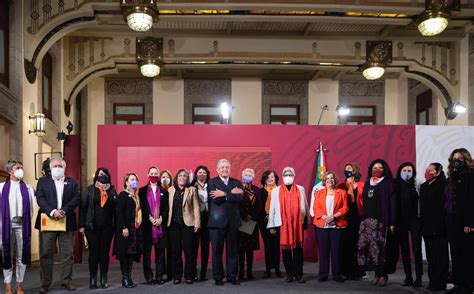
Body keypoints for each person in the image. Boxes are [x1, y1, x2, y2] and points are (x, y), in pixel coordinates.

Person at [35, 156, 81, 293]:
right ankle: (45, 283)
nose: (57, 168)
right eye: (55, 166)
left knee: (67, 254)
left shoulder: (72, 182)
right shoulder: (43, 182)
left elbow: (76, 198)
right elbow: (40, 198)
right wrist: (53, 211)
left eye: (60, 166)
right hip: (48, 221)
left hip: (66, 222)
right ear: (50, 168)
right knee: (46, 253)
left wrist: (64, 210)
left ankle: (66, 280)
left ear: (64, 168)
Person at [357, 159, 397, 287]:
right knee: (370, 249)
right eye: (375, 167)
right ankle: (376, 274)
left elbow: (393, 204)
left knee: (381, 249)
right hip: (367, 221)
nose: (377, 169)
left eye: (380, 167)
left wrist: (391, 222)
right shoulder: (368, 182)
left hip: (381, 222)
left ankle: (383, 275)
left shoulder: (388, 183)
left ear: (384, 169)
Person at [267, 167, 310, 283]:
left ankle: (299, 274)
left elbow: (305, 205)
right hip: (282, 224)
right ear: (282, 176)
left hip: (297, 223)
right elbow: (272, 209)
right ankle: (289, 274)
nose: (288, 176)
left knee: (298, 250)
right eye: (285, 174)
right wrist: (271, 225)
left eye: (290, 174)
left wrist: (306, 221)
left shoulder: (300, 189)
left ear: (294, 175)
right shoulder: (276, 190)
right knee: (285, 251)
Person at [207, 159, 244, 285]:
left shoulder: (237, 182)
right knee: (217, 252)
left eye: (227, 167)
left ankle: (232, 276)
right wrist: (231, 194)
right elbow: (215, 200)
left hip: (233, 222)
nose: (224, 169)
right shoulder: (212, 182)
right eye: (222, 167)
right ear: (217, 169)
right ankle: (218, 277)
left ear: (230, 169)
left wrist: (223, 194)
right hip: (216, 224)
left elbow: (240, 198)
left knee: (233, 251)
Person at [0, 160, 34, 294]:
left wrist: (26, 222)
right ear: (10, 171)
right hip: (6, 225)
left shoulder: (28, 188)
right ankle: (8, 285)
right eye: (18, 168)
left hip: (22, 225)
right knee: (7, 253)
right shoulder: (1, 187)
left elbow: (31, 207)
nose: (21, 170)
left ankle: (19, 284)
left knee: (22, 255)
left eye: (21, 167)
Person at [79, 167, 116, 289]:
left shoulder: (112, 191)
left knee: (104, 253)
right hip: (92, 227)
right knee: (94, 253)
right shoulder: (90, 190)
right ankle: (93, 278)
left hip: (107, 228)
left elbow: (115, 210)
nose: (102, 176)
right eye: (100, 174)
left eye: (104, 174)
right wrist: (81, 225)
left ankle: (103, 277)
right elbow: (83, 208)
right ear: (96, 176)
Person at [445, 148, 474, 294]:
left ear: (466, 159)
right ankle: (458, 283)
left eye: (460, 158)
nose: (457, 160)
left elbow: (471, 201)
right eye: (454, 158)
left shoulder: (470, 176)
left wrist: (470, 223)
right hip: (451, 220)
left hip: (465, 222)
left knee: (466, 254)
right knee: (455, 253)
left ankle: (468, 285)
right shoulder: (452, 177)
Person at [313, 171, 348, 283]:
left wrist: (333, 217)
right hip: (322, 225)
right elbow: (316, 208)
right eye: (327, 178)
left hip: (337, 225)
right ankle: (323, 274)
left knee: (336, 251)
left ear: (335, 180)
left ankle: (336, 274)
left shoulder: (342, 192)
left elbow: (345, 208)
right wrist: (325, 217)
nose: (329, 180)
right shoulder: (318, 192)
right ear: (324, 181)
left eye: (332, 178)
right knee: (323, 251)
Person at [167, 169, 200, 284]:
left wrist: (197, 223)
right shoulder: (170, 190)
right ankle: (177, 276)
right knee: (175, 251)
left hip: (188, 224)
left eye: (185, 176)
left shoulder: (192, 190)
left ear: (187, 179)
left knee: (189, 251)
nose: (182, 177)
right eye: (180, 175)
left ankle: (189, 275)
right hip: (173, 225)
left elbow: (196, 207)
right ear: (176, 178)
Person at [420, 163, 448, 291]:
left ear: (438, 172)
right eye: (427, 170)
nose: (428, 172)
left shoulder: (444, 184)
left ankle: (441, 282)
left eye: (432, 170)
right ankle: (432, 281)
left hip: (440, 226)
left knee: (441, 256)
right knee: (431, 257)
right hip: (427, 227)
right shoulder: (424, 186)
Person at [139, 166, 169, 285]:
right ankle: (149, 277)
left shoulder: (164, 191)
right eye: (151, 173)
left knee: (160, 253)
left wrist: (161, 218)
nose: (153, 175)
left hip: (160, 226)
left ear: (159, 175)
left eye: (156, 173)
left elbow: (166, 207)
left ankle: (159, 276)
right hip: (147, 226)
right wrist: (150, 218)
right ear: (147, 175)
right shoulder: (142, 191)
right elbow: (142, 207)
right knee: (146, 254)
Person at [395, 162, 423, 287]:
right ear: (400, 171)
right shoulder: (396, 185)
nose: (407, 172)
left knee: (416, 249)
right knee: (405, 250)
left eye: (409, 170)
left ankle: (419, 277)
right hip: (401, 221)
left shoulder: (418, 184)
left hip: (415, 220)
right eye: (404, 170)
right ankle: (408, 277)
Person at [113, 173, 142, 288]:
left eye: (136, 179)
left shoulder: (136, 196)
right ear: (126, 182)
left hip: (134, 230)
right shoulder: (123, 195)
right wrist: (123, 227)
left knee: (130, 255)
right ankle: (124, 279)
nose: (134, 181)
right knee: (124, 255)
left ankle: (129, 278)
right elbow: (119, 213)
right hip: (125, 229)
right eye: (132, 179)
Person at [337, 162, 364, 280]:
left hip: (358, 218)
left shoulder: (362, 185)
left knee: (357, 245)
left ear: (355, 171)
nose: (347, 170)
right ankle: (345, 270)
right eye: (345, 168)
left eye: (350, 168)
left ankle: (357, 271)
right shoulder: (341, 186)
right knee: (345, 244)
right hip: (344, 218)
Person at [258, 170, 282, 279]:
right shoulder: (261, 191)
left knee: (276, 245)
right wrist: (268, 221)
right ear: (264, 179)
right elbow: (259, 207)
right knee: (267, 246)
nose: (270, 179)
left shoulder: (281, 190)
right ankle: (268, 270)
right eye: (268, 177)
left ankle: (277, 269)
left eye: (272, 177)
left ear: (275, 178)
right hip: (264, 221)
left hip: (278, 221)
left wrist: (273, 221)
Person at [238, 168, 260, 281]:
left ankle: (249, 271)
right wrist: (243, 215)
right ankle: (240, 272)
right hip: (240, 221)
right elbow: (237, 204)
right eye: (245, 174)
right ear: (242, 176)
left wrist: (251, 216)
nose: (248, 176)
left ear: (253, 177)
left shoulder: (257, 190)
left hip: (251, 221)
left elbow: (258, 206)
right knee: (240, 249)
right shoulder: (238, 188)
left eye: (250, 175)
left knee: (249, 249)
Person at [191, 165, 211, 281]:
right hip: (195, 220)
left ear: (207, 174)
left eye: (204, 172)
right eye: (199, 172)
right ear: (196, 174)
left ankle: (203, 274)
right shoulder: (191, 186)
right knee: (193, 247)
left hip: (208, 219)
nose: (202, 174)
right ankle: (193, 273)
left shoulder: (212, 185)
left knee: (205, 248)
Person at [160, 169, 173, 280]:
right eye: (163, 176)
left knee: (171, 249)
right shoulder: (158, 190)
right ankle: (161, 270)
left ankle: (170, 272)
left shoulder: (173, 189)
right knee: (161, 248)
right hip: (161, 223)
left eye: (167, 176)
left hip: (172, 223)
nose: (165, 178)